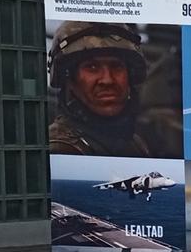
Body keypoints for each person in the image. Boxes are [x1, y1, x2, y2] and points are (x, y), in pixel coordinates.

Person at [47, 21, 157, 157]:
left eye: (116, 66)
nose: (107, 80)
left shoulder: (135, 143)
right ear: (69, 79)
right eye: (92, 67)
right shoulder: (60, 149)